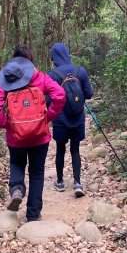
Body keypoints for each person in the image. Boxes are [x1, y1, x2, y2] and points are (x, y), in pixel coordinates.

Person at [0, 46, 65, 222]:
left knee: (17, 163)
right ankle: (32, 214)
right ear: (30, 61)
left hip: (16, 137)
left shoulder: (7, 82)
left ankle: (16, 189)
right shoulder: (40, 78)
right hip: (40, 135)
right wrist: (48, 117)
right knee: (37, 172)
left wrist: (6, 124)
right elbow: (60, 95)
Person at [48, 43, 93, 197]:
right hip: (78, 117)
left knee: (61, 148)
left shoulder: (52, 75)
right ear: (68, 54)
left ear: (53, 58)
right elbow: (89, 94)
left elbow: (48, 101)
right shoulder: (80, 71)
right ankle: (77, 183)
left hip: (60, 119)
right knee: (75, 149)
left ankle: (60, 182)